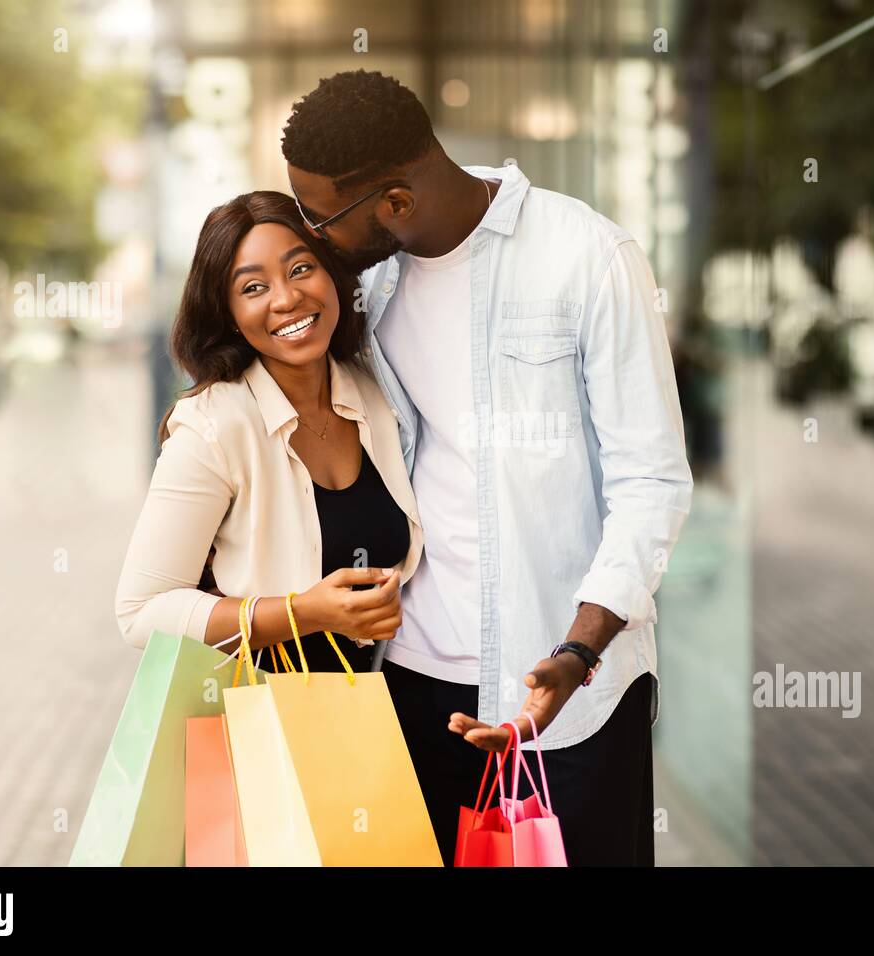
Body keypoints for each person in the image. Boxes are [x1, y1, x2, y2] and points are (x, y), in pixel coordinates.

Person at [280, 71, 694, 865]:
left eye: (321, 216)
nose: (313, 236)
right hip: (409, 678)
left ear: (395, 202)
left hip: (566, 690)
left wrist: (578, 651)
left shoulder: (588, 256)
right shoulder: (368, 286)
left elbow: (652, 482)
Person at [114, 190, 417, 674]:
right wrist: (305, 613)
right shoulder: (214, 425)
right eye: (253, 288)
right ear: (228, 315)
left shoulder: (377, 390)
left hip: (381, 712)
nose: (287, 298)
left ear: (332, 274)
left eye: (300, 269)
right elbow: (141, 612)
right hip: (264, 718)